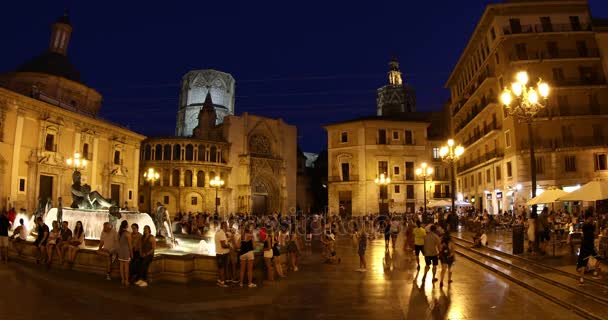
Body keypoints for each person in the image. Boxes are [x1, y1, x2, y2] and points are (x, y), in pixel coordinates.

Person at [577, 210, 601, 285]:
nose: (593, 218)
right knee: (599, 257)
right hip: (590, 246)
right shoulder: (590, 225)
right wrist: (596, 224)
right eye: (592, 216)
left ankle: (581, 279)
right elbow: (596, 233)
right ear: (589, 217)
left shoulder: (584, 224)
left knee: (584, 262)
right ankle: (595, 273)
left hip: (584, 246)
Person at [117, 220, 133, 286]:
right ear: (126, 225)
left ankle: (122, 280)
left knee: (121, 266)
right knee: (126, 267)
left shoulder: (119, 233)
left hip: (120, 250)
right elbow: (130, 245)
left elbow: (118, 242)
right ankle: (126, 281)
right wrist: (131, 254)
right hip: (126, 251)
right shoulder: (128, 234)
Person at [214, 221, 230, 287]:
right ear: (224, 226)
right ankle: (222, 282)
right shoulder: (222, 233)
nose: (227, 227)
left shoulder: (218, 232)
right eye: (226, 226)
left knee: (220, 267)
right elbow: (223, 245)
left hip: (219, 253)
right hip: (222, 253)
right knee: (222, 268)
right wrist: (229, 246)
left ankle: (220, 280)